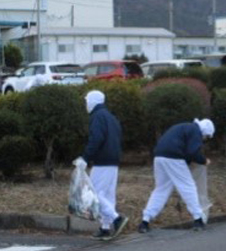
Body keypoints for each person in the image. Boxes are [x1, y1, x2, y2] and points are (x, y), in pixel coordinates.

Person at [138, 118, 215, 234]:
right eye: (207, 137)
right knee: (188, 186)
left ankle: (145, 220)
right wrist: (204, 160)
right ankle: (198, 219)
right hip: (174, 158)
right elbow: (193, 152)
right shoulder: (195, 131)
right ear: (205, 132)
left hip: (159, 157)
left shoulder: (184, 126)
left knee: (161, 190)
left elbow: (186, 150)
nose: (204, 139)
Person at [80, 90, 128, 241]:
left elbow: (96, 139)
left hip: (102, 161)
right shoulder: (111, 117)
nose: (86, 104)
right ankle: (105, 227)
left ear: (93, 101)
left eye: (87, 101)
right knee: (107, 195)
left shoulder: (97, 116)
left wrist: (85, 158)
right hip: (113, 160)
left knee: (94, 194)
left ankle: (116, 219)